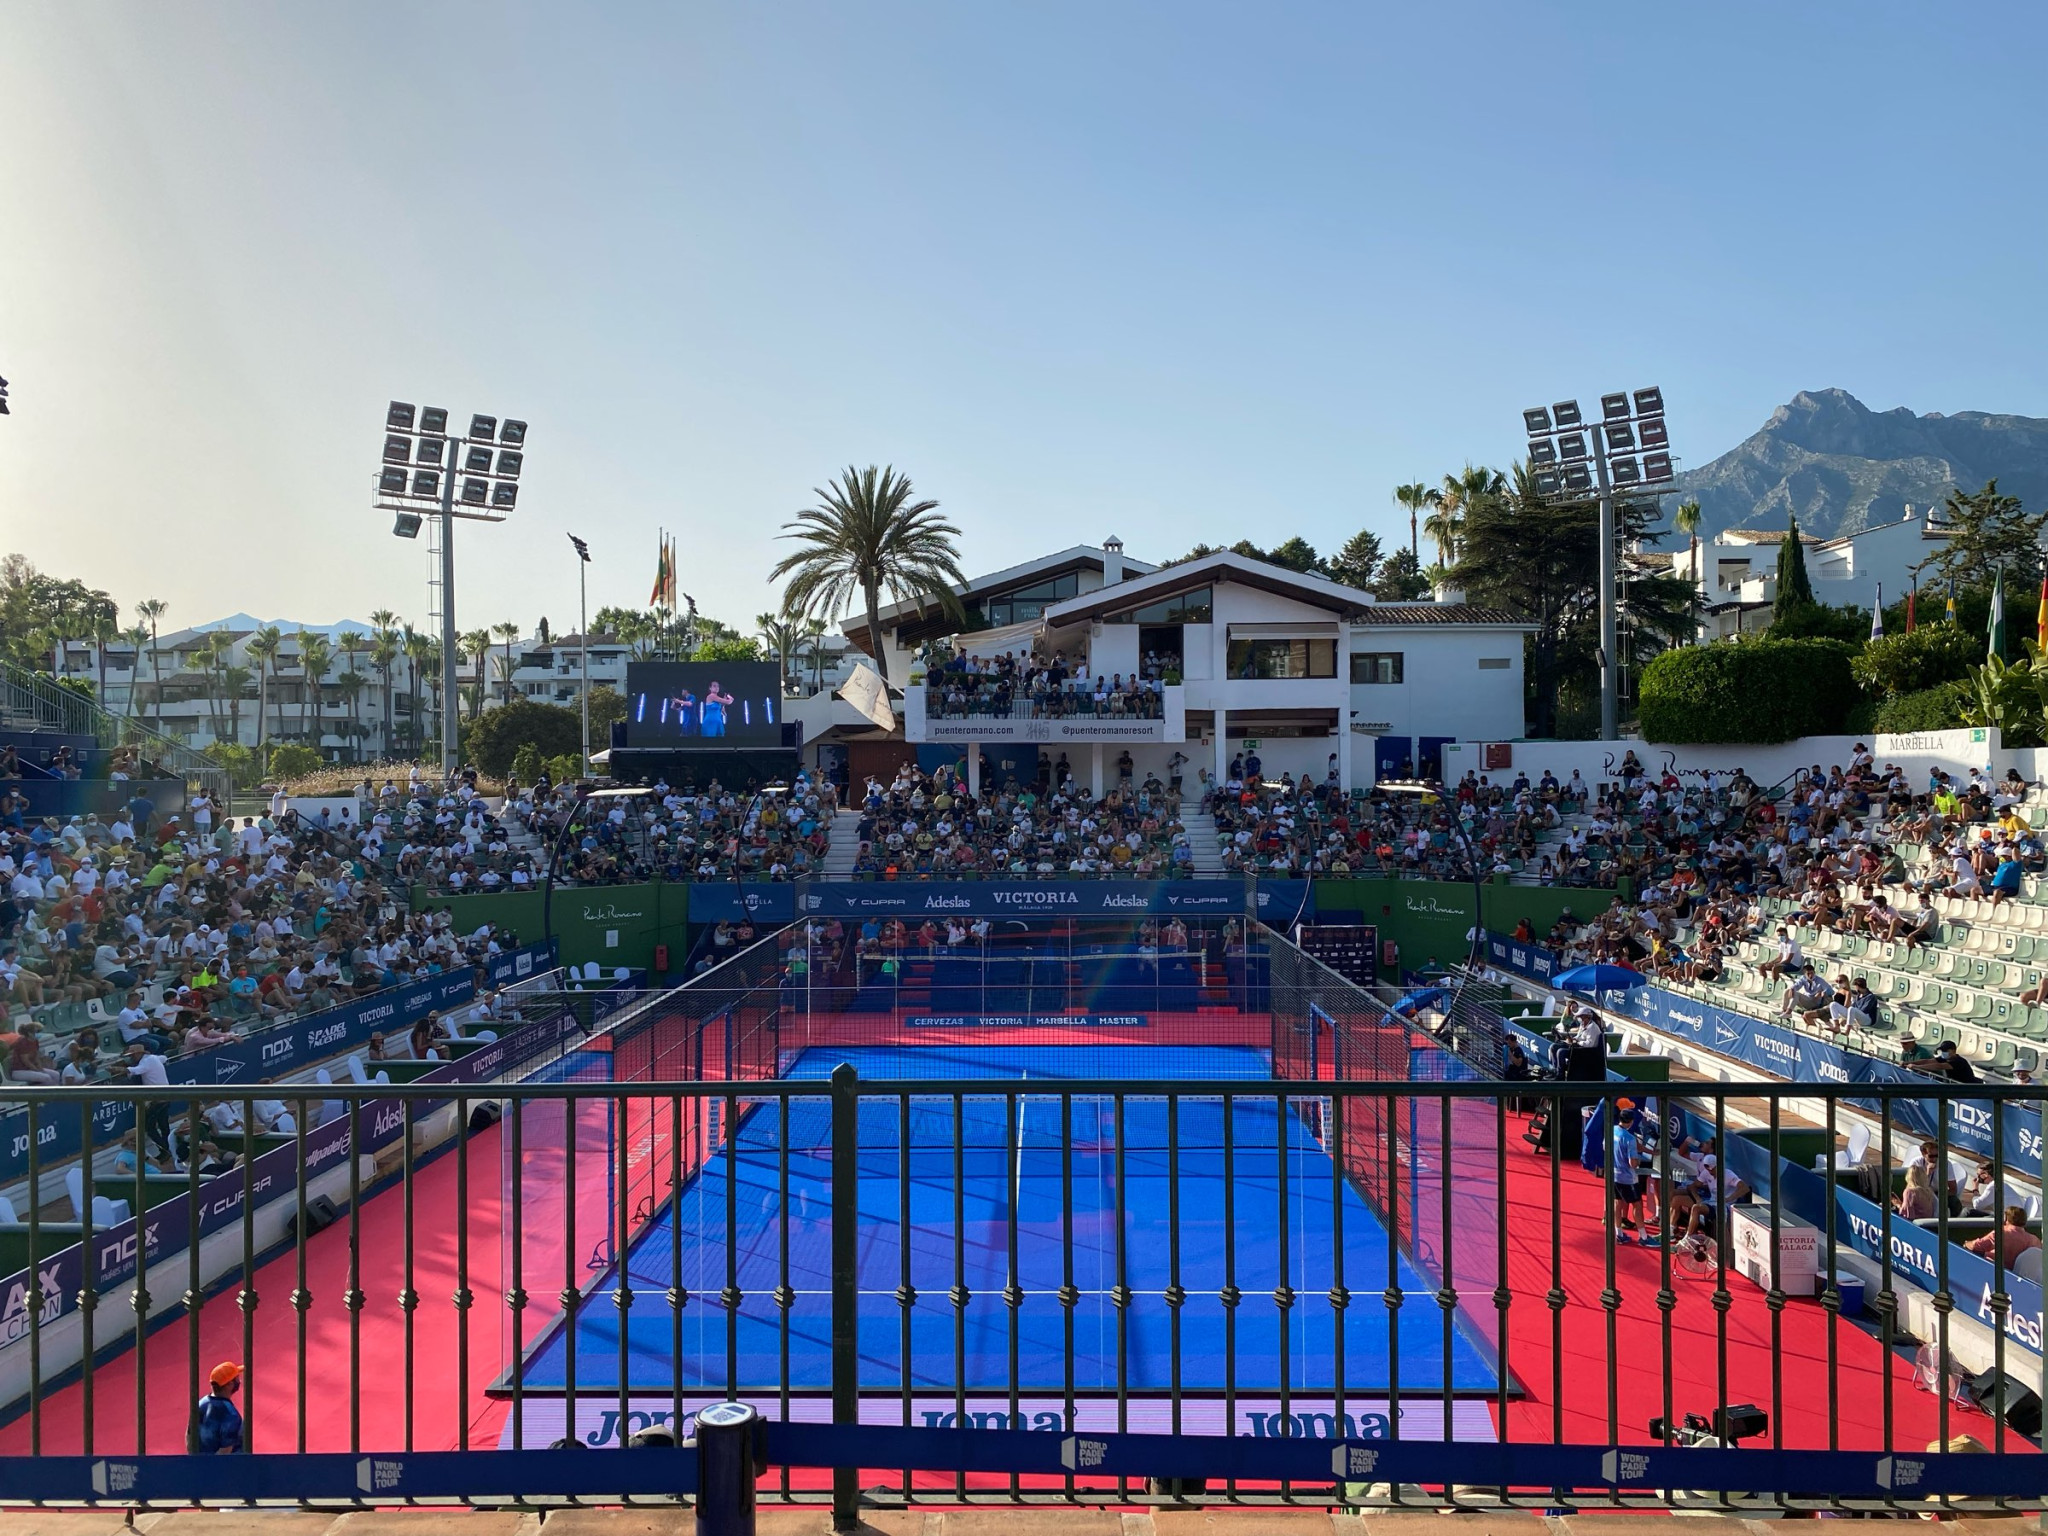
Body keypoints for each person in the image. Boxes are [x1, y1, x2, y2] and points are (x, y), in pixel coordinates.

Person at [1966, 1205, 2042, 1267]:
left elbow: (1975, 1246)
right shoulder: (2034, 1241)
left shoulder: (2000, 1233)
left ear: (2006, 1219)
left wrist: (1967, 1243)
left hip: (1994, 1272)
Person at [195, 1362, 244, 1453]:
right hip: (226, 1462)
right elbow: (225, 1452)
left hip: (199, 1459)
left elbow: (189, 1435)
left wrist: (195, 1460)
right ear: (229, 1384)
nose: (239, 1381)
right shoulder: (231, 1414)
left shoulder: (200, 1404)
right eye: (237, 1379)